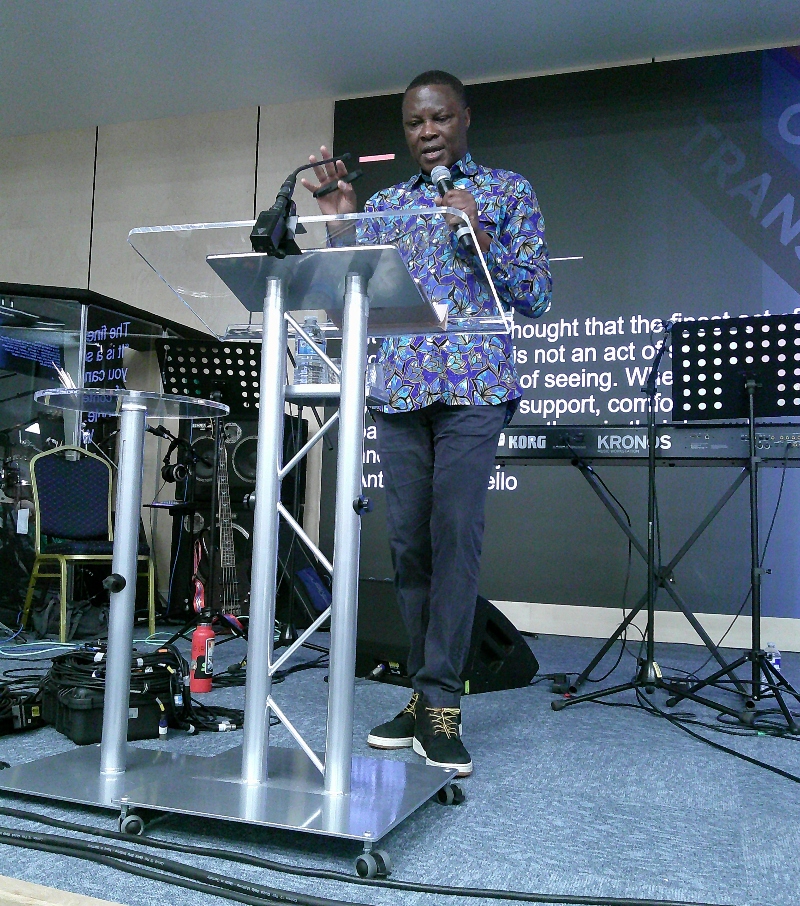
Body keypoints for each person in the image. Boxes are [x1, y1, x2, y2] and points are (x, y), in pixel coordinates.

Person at [301, 70, 551, 776]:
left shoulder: (505, 191)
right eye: (415, 123)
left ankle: (441, 700)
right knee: (408, 546)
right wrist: (342, 227)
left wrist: (478, 233)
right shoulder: (386, 204)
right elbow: (351, 293)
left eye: (439, 118)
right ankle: (422, 688)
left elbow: (536, 296)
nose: (428, 132)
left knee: (454, 538)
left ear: (464, 118)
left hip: (475, 389)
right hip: (402, 393)